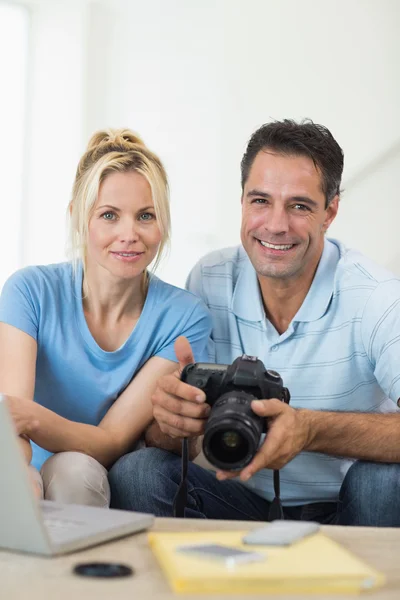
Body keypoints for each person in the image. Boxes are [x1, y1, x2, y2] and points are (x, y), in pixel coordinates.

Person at [108, 119, 400, 526]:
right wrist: (172, 421)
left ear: (331, 210)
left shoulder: (378, 297)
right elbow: (177, 439)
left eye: (299, 205)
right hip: (239, 498)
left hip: (349, 509)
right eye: (260, 200)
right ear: (242, 200)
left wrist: (310, 430)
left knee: (383, 481)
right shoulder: (209, 279)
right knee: (138, 472)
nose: (276, 225)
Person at [0, 128, 211, 506]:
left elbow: (111, 441)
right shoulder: (29, 291)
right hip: (28, 466)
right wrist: (18, 480)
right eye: (109, 215)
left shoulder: (184, 316)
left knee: (73, 471)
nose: (128, 234)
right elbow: (9, 425)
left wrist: (32, 418)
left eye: (145, 216)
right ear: (79, 219)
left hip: (101, 477)